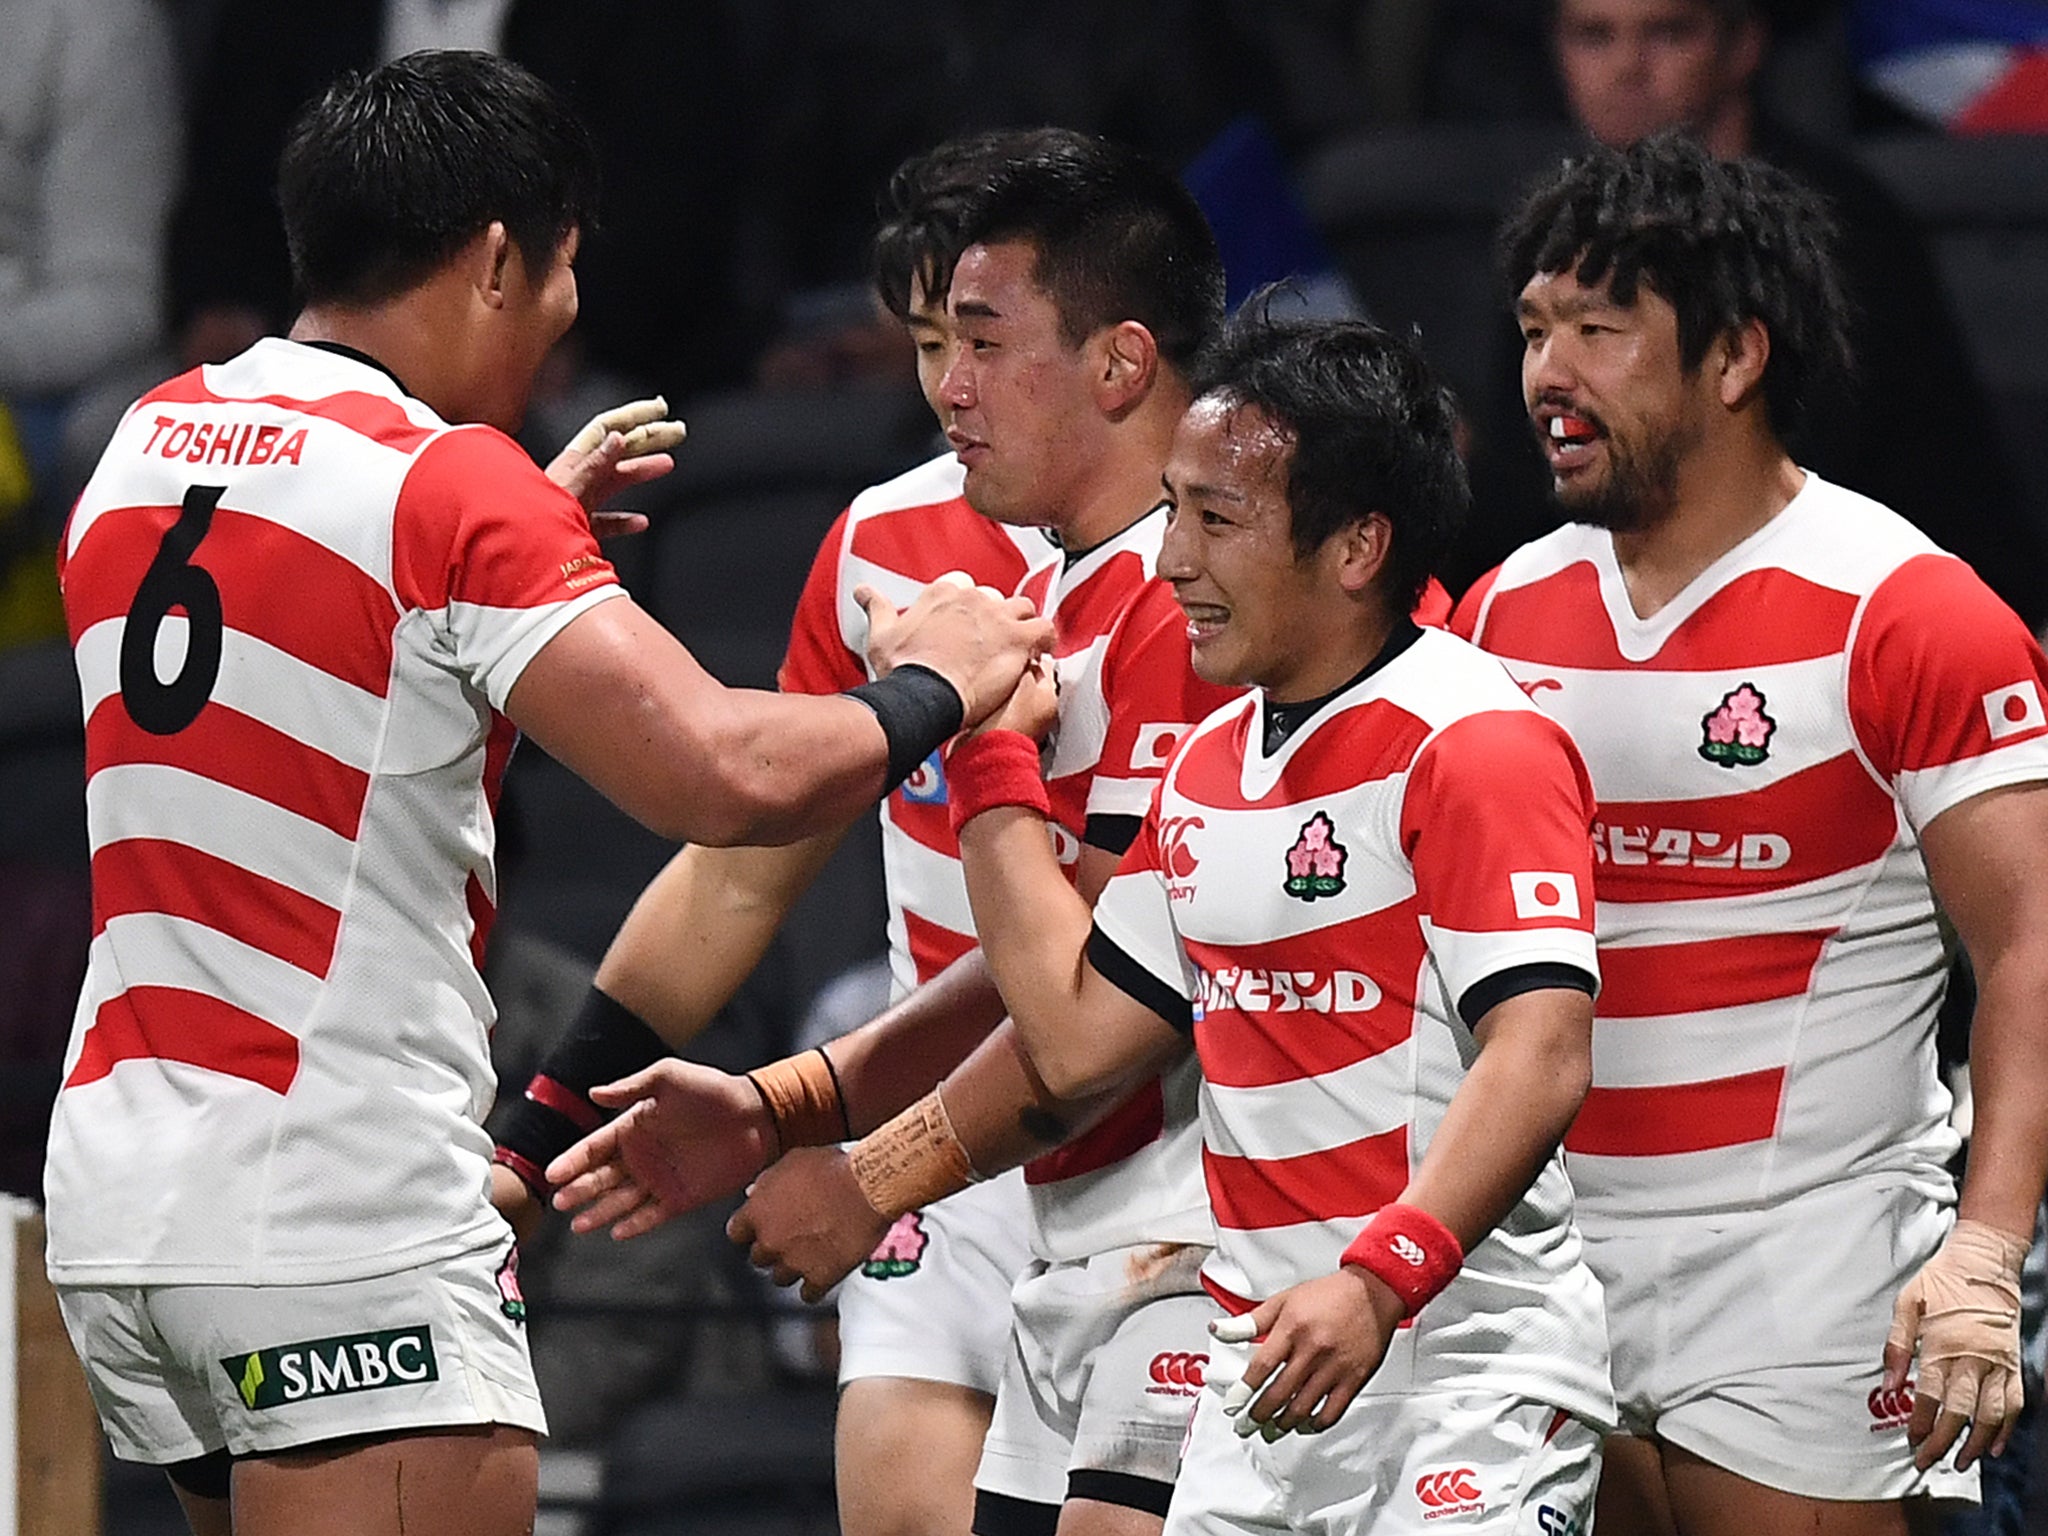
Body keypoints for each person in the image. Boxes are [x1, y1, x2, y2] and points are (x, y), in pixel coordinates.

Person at [42, 51, 1047, 1536]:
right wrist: (937, 685)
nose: (568, 323)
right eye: (565, 271)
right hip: (334, 1209)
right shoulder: (450, 490)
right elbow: (723, 777)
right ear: (499, 256)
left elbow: (324, 696)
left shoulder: (144, 440)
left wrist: (510, 550)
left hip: (124, 1209)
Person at [795, 307, 1616, 1533]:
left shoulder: (1473, 740)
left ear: (1354, 548)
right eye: (1172, 508)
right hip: (1265, 1373)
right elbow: (1070, 1041)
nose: (1173, 558)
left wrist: (1380, 1279)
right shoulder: (1209, 765)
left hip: (1463, 1372)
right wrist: (989, 759)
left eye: (1215, 519)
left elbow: (1541, 1052)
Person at [528, 129, 1242, 1536]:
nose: (942, 393)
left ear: (1118, 359)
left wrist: (858, 1158)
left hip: (1210, 1204)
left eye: (976, 343)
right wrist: (783, 1109)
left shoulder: (1214, 592)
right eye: (929, 344)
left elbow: (1097, 1016)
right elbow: (780, 879)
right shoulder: (984, 566)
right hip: (1006, 1155)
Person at [1454, 132, 2048, 1536]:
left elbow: (2028, 947)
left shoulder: (1910, 610)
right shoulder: (1492, 617)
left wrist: (1986, 1246)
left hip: (1811, 1274)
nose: (1550, 373)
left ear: (1734, 360)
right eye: (1538, 330)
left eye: (1601, 331)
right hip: (1544, 1270)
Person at [1450, 0, 2046, 628]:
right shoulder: (1551, 237)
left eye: (1669, 33)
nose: (1627, 68)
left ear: (1742, 47)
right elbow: (1516, 502)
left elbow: (1941, 489)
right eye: (1593, 37)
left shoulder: (1840, 227)